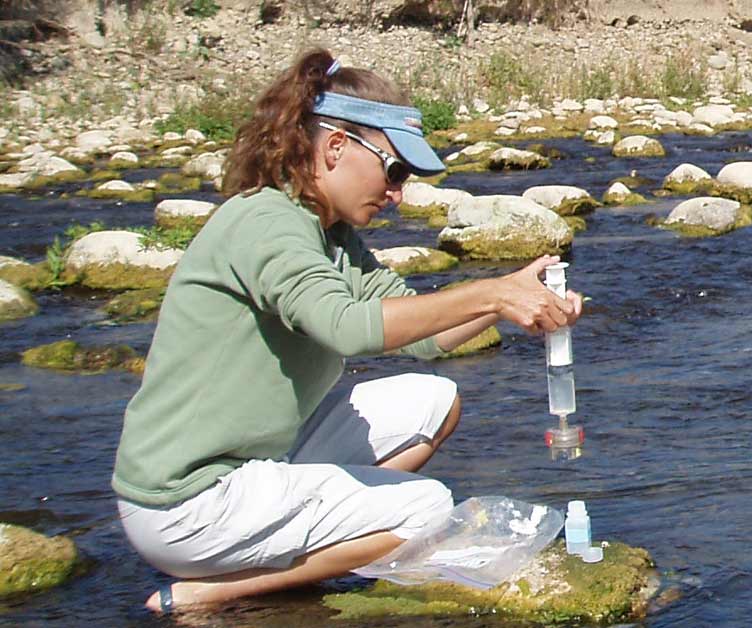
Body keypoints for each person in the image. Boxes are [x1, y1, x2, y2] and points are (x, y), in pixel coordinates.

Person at [111, 48, 583, 613]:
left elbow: (423, 331)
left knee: (436, 402)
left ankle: (318, 536)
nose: (398, 193)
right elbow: (347, 328)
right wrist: (489, 293)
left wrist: (510, 295)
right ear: (336, 147)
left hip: (256, 465)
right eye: (395, 171)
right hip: (186, 502)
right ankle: (218, 589)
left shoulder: (329, 235)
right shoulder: (268, 223)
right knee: (427, 509)